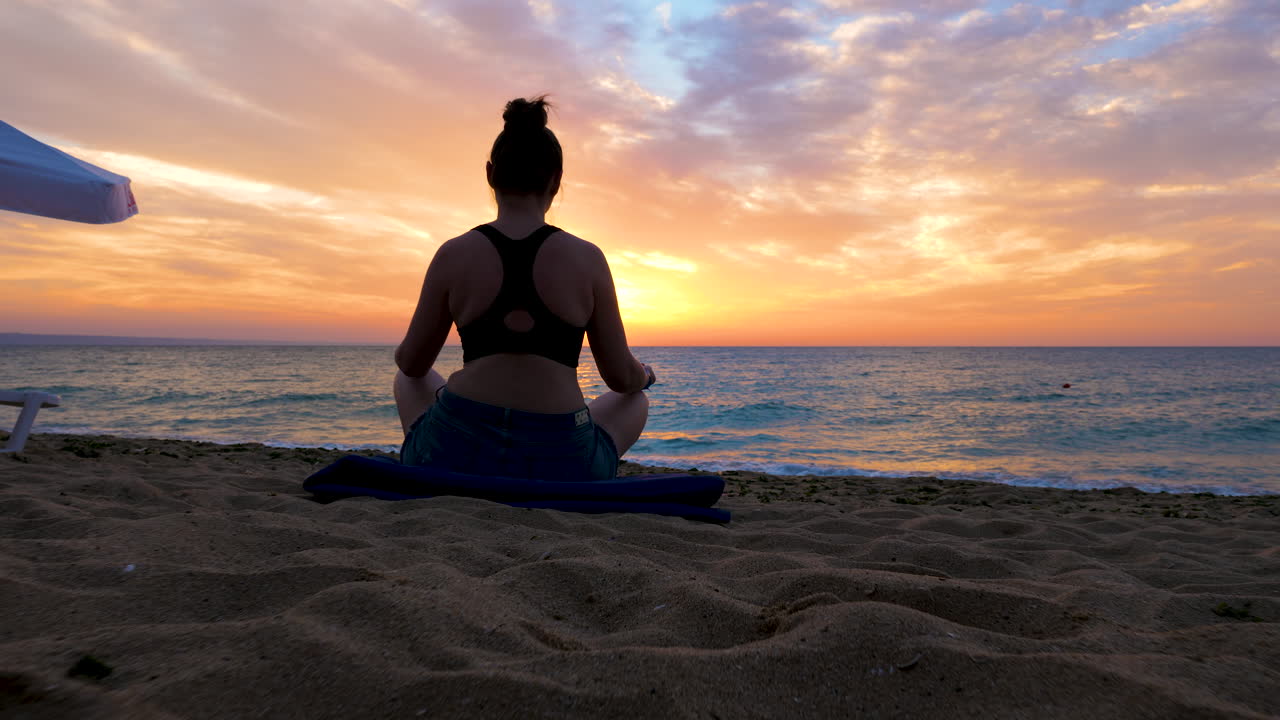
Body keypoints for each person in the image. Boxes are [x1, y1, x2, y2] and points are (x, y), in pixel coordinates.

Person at [392, 96, 655, 482]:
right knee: (635, 399)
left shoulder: (454, 253)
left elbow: (411, 365)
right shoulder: (587, 258)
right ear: (556, 179)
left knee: (408, 379)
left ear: (490, 173)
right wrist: (644, 375)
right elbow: (621, 378)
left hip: (454, 454)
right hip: (563, 463)